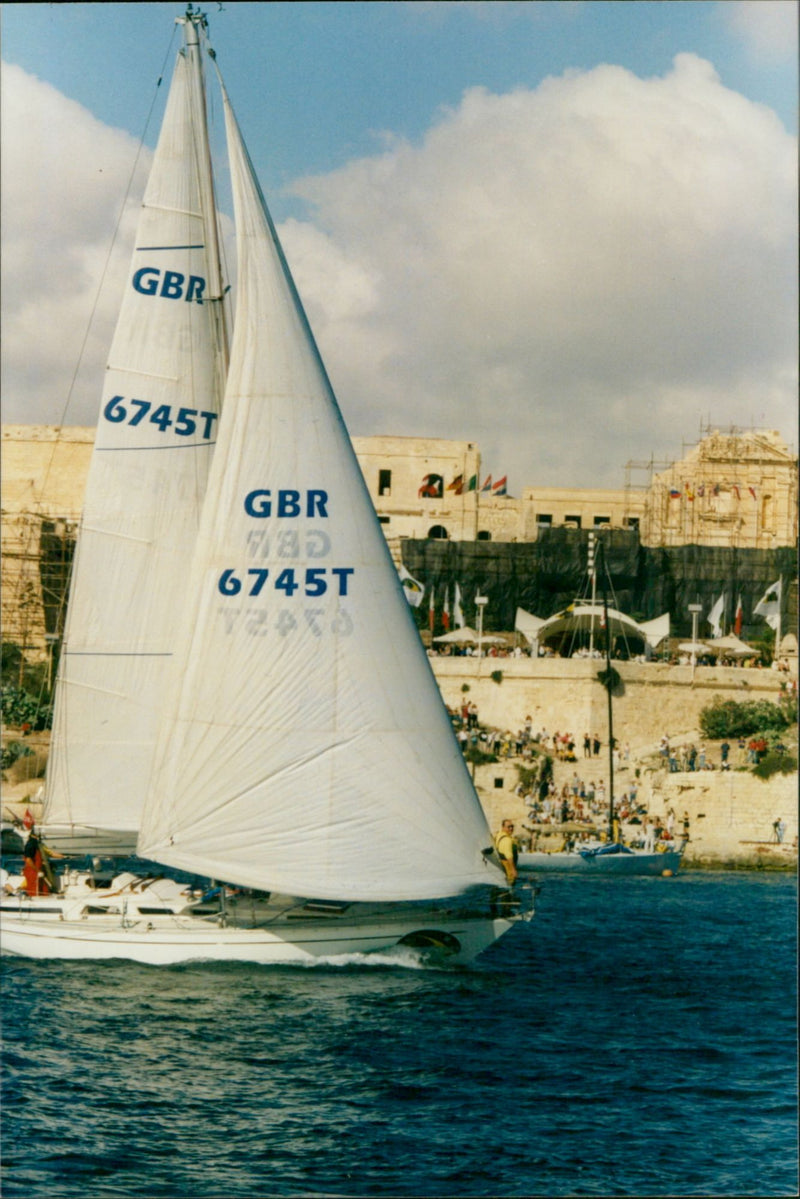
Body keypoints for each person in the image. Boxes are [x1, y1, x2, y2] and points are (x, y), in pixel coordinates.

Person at [22, 827, 52, 897]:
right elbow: (28, 860)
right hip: (32, 872)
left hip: (37, 871)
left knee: (43, 890)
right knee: (34, 891)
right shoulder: (31, 844)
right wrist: (38, 871)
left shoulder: (35, 843)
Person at [494, 819, 520, 885]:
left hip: (502, 867)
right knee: (510, 885)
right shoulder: (507, 840)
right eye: (508, 827)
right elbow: (509, 856)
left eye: (512, 826)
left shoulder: (499, 834)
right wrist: (513, 870)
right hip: (508, 868)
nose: (511, 828)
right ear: (503, 827)